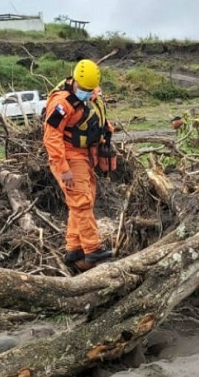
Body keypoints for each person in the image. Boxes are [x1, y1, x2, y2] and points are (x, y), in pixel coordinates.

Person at [43, 59, 114, 269]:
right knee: (81, 201)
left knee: (85, 199)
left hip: (84, 155)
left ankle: (74, 248)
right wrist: (63, 169)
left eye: (90, 89)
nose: (87, 92)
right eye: (83, 89)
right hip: (68, 155)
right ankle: (93, 250)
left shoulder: (91, 93)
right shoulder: (62, 103)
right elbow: (51, 136)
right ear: (75, 81)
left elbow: (95, 116)